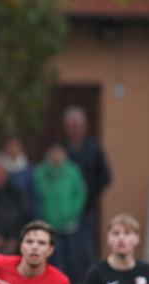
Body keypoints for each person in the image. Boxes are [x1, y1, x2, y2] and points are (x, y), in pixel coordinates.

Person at [61, 106, 111, 263]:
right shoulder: (60, 148)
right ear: (66, 128)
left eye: (78, 126)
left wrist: (91, 194)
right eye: (71, 126)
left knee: (86, 245)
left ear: (84, 127)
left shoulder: (94, 148)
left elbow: (106, 176)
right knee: (66, 246)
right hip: (64, 208)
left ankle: (88, 280)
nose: (75, 130)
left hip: (87, 207)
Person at [34, 144, 87, 284]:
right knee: (52, 255)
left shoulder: (72, 171)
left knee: (72, 255)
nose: (56, 157)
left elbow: (80, 194)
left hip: (70, 222)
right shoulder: (41, 173)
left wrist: (73, 212)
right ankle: (53, 283)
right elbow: (36, 196)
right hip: (49, 222)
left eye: (59, 153)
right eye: (54, 153)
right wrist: (42, 215)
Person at [3, 136, 39, 219]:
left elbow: (33, 196)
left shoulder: (28, 169)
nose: (13, 148)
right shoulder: (1, 169)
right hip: (7, 216)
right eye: (10, 146)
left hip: (25, 215)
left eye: (16, 145)